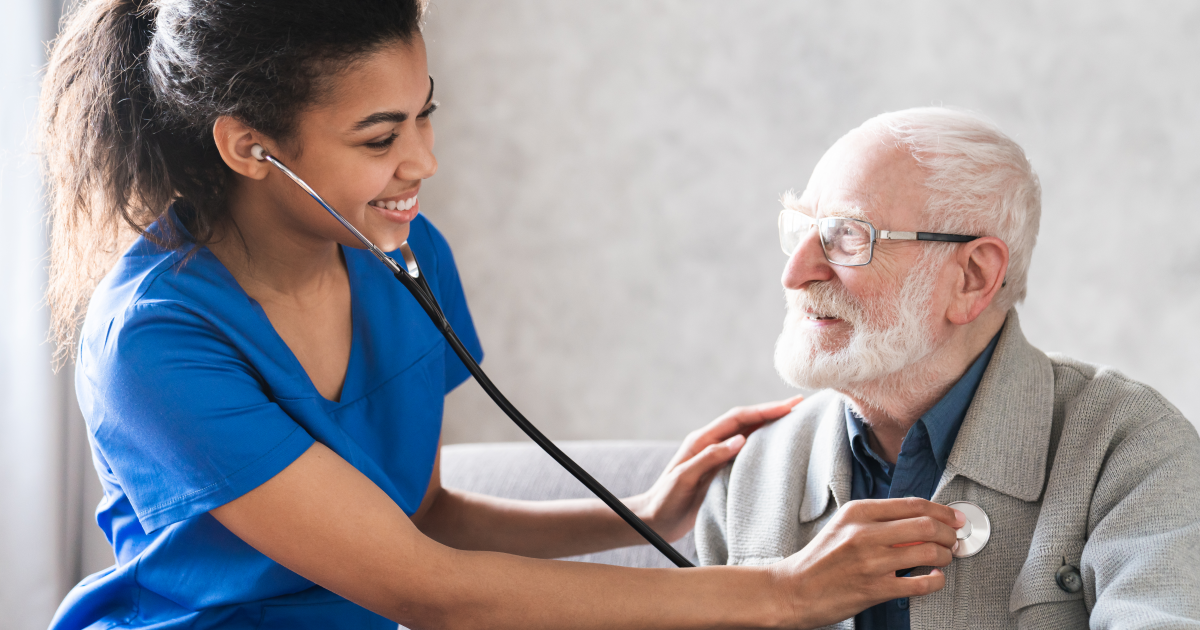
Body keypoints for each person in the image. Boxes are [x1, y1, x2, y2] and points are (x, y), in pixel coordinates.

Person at [39, 1, 970, 628]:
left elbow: (424, 515)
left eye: (424, 116)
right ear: (250, 148)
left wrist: (643, 516)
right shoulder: (155, 343)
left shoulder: (402, 258)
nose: (423, 163)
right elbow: (423, 587)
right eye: (380, 137)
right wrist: (782, 594)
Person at [695, 107, 1200, 629]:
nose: (794, 273)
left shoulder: (1132, 447)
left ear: (973, 277)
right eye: (801, 230)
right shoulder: (747, 470)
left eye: (848, 235)